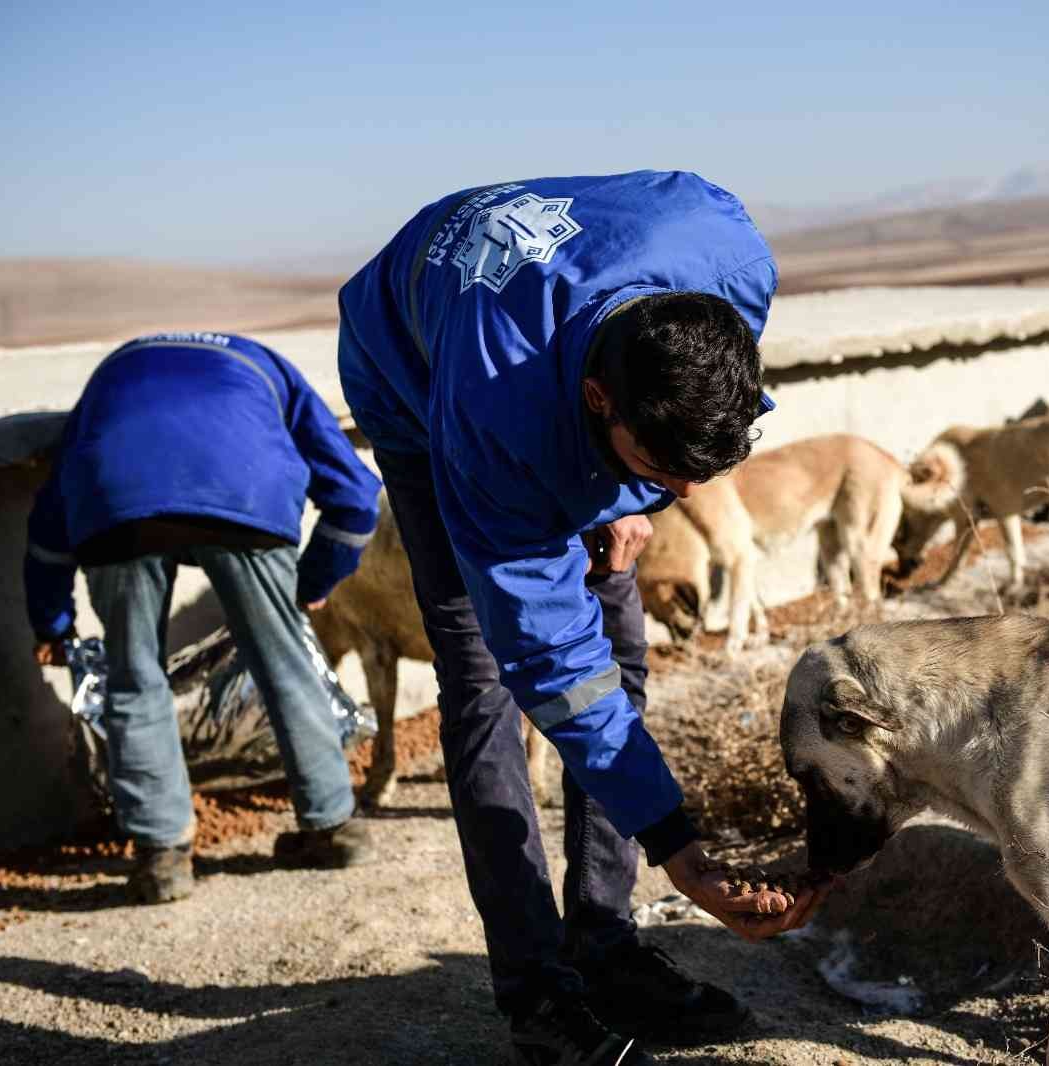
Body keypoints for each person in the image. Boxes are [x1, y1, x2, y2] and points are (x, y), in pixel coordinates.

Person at [338, 171, 828, 1066]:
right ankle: (539, 995)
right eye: (659, 471)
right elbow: (554, 663)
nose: (679, 499)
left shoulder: (728, 256)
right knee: (487, 675)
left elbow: (661, 467)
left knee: (622, 642)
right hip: (411, 370)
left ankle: (606, 944)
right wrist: (683, 850)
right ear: (602, 403)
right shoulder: (490, 425)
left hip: (575, 345)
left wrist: (635, 490)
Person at [25, 331, 383, 904]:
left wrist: (51, 624)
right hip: (244, 498)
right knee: (287, 664)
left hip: (118, 506)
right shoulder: (266, 367)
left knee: (133, 679)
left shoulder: (113, 375)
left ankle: (162, 858)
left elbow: (49, 526)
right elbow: (357, 497)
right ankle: (335, 828)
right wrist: (313, 583)